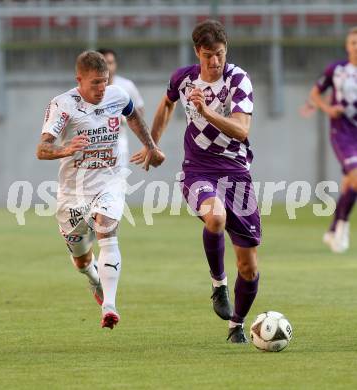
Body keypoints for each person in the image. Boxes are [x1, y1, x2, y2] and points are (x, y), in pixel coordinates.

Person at [131, 19, 261, 343]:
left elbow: (242, 130)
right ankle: (218, 285)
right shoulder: (184, 78)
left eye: (219, 53)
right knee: (215, 216)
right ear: (196, 53)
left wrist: (206, 112)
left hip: (237, 173)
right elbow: (166, 104)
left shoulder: (238, 80)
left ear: (226, 49)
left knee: (249, 268)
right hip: (198, 170)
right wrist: (152, 144)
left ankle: (237, 325)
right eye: (207, 55)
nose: (214, 62)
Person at [36, 50, 164, 329]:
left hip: (110, 180)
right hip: (73, 192)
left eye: (104, 81)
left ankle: (109, 305)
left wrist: (151, 147)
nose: (101, 88)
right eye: (95, 82)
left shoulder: (117, 95)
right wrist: (64, 149)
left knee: (107, 227)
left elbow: (133, 116)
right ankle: (94, 279)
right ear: (79, 80)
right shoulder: (62, 105)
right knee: (81, 261)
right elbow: (42, 149)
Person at [309, 27, 357, 253]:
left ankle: (332, 230)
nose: (356, 47)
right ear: (347, 46)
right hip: (342, 133)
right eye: (353, 43)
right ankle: (342, 226)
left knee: (350, 185)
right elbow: (315, 94)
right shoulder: (336, 70)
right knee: (355, 178)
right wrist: (327, 108)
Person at [97, 48, 145, 168]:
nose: (108, 67)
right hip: (94, 147)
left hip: (119, 145)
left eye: (111, 63)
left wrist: (125, 117)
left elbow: (139, 110)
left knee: (118, 183)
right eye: (104, 63)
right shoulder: (89, 89)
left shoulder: (126, 86)